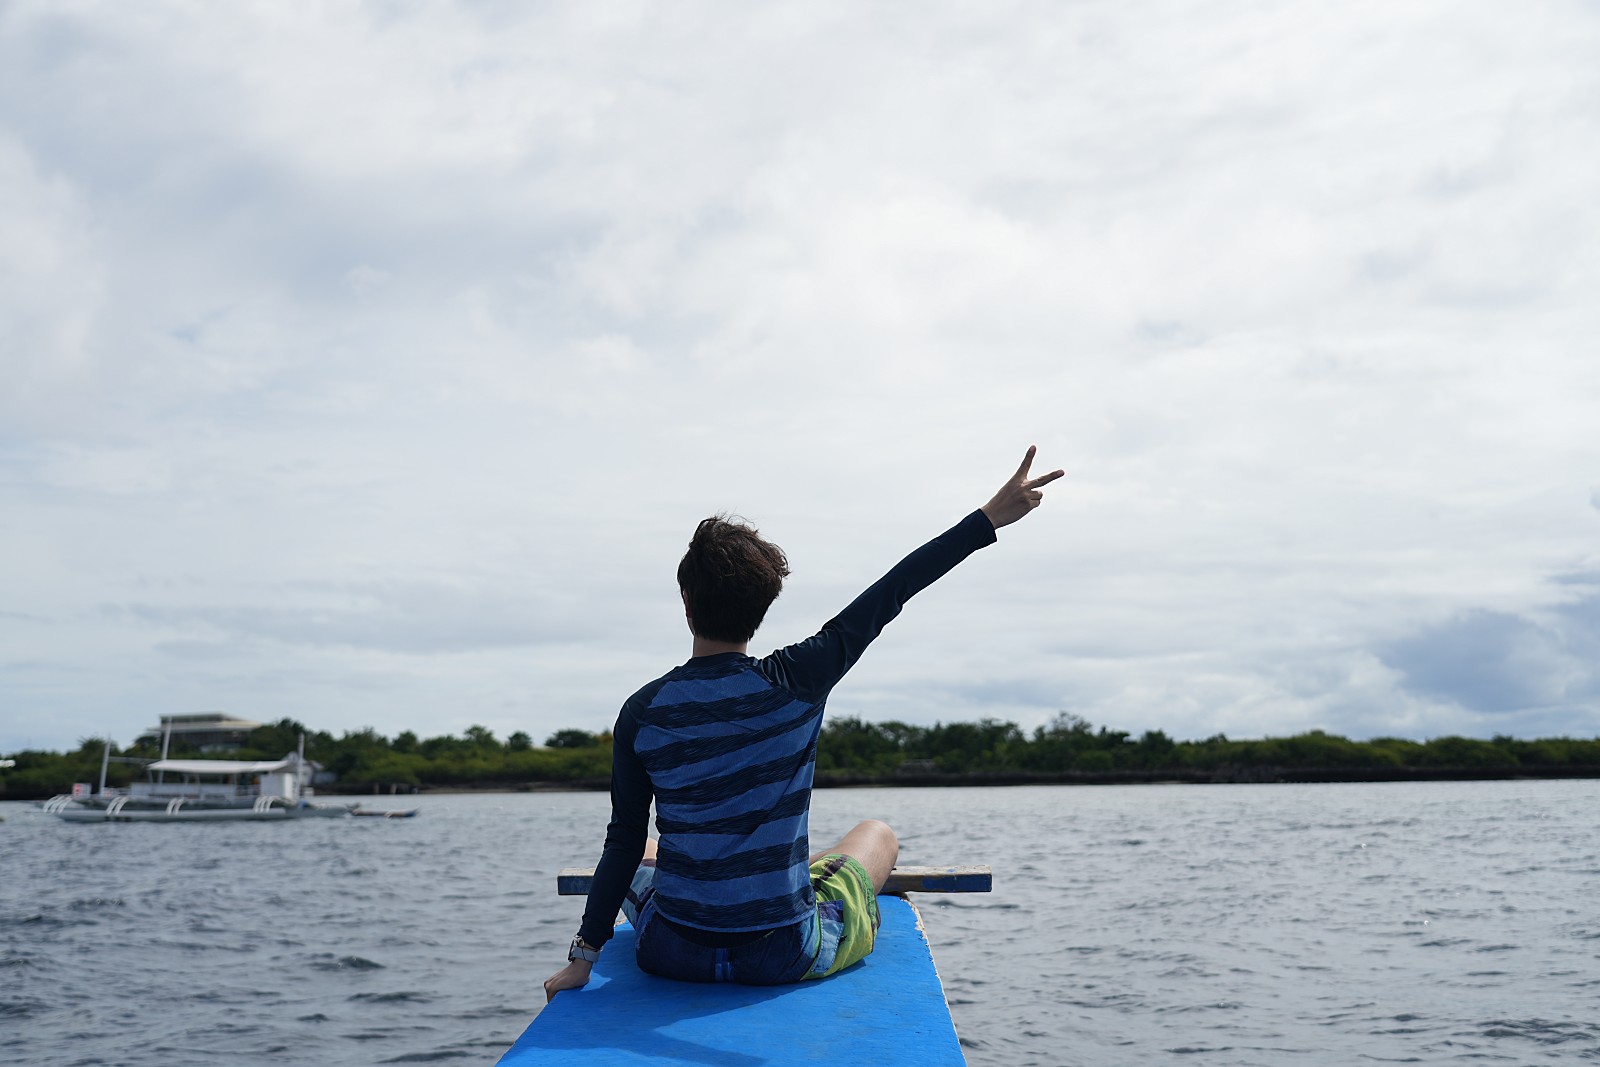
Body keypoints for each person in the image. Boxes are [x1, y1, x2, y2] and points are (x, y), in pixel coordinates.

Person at [544, 446, 1064, 999]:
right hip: (782, 951)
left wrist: (583, 958)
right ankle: (796, 872)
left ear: (687, 602)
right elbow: (894, 589)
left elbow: (622, 840)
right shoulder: (798, 679)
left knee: (644, 847)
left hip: (673, 952)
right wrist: (987, 519)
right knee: (877, 835)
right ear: (764, 605)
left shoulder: (643, 711)